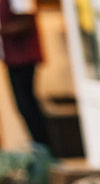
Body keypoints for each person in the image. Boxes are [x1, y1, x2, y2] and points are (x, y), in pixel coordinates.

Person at [0, 0, 48, 152]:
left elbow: (26, 22)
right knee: (22, 104)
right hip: (13, 58)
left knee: (27, 104)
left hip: (23, 57)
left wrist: (3, 30)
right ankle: (39, 145)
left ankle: (43, 147)